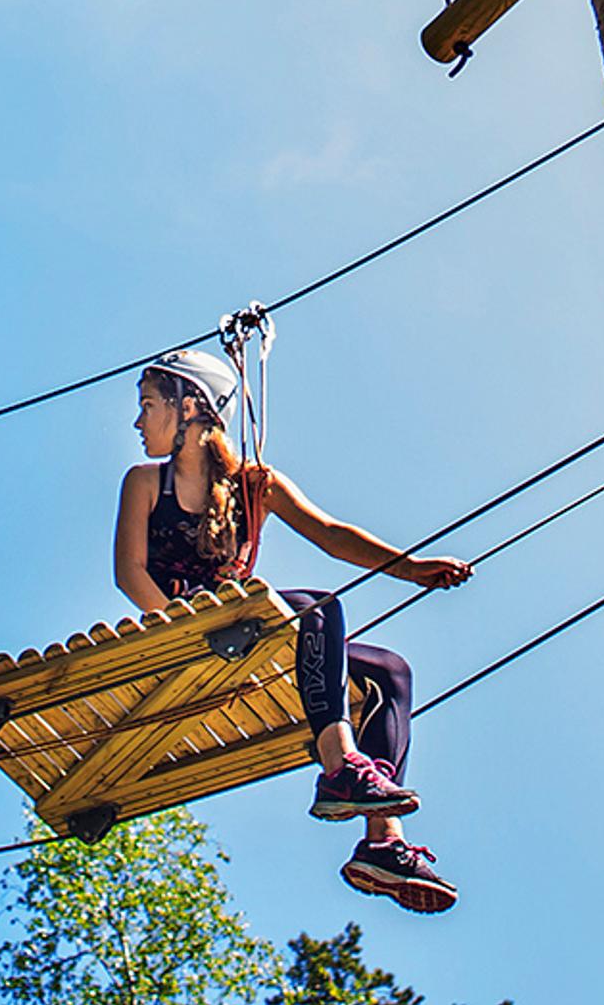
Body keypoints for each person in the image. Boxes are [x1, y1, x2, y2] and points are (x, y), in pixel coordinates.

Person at [117, 348, 472, 916]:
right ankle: (340, 765)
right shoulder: (144, 484)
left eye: (148, 405)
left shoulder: (255, 485)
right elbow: (129, 573)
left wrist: (409, 568)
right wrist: (183, 630)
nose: (138, 422)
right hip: (186, 631)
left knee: (390, 672)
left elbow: (330, 533)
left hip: (243, 633)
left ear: (189, 408)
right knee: (314, 609)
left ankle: (383, 841)